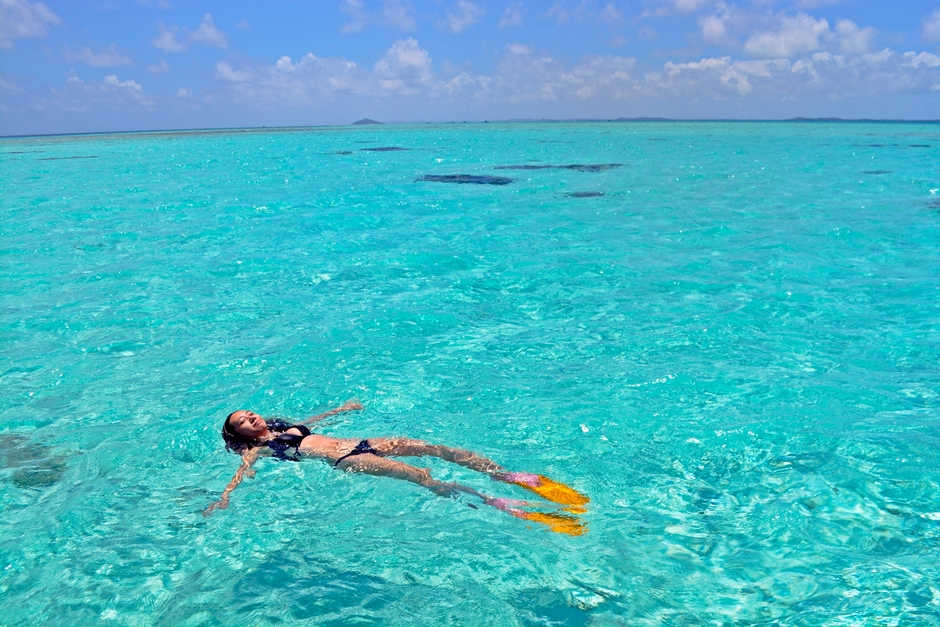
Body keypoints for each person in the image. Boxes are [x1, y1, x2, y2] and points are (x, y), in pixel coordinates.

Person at [204, 401, 590, 535]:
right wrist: (225, 497)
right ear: (240, 433)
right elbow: (240, 474)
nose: (251, 416)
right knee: (426, 479)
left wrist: (340, 410)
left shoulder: (281, 427)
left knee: (429, 447)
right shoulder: (259, 448)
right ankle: (497, 502)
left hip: (360, 441)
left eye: (250, 412)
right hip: (347, 459)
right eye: (243, 420)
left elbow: (313, 424)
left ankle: (505, 474)